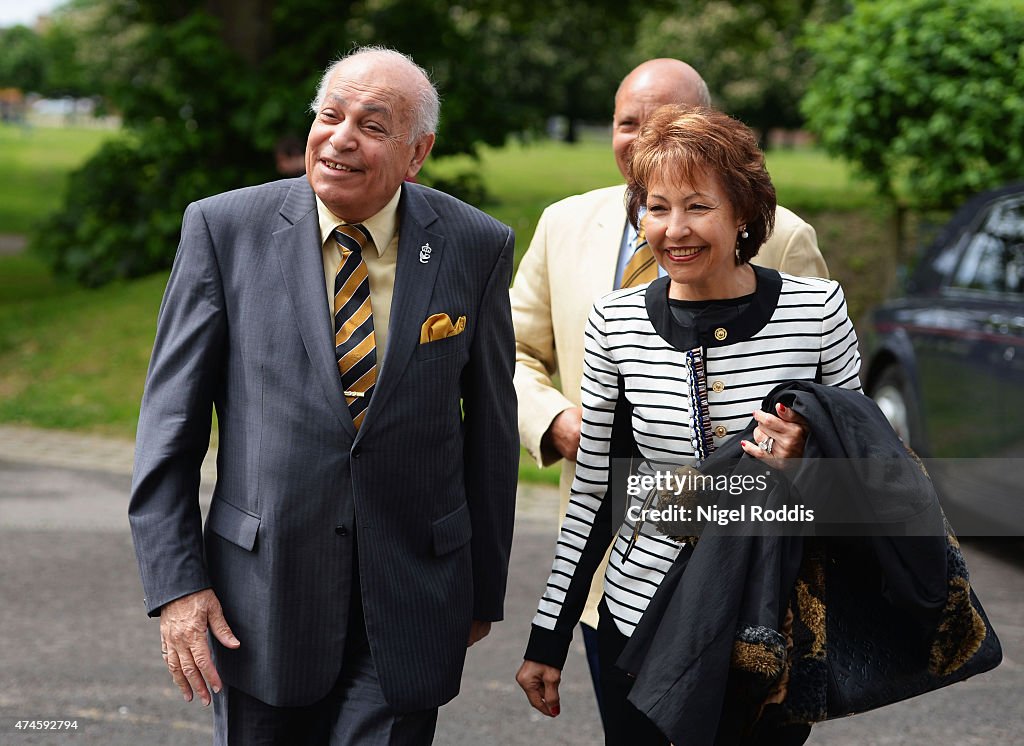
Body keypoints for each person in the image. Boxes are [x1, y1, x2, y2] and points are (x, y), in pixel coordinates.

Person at [128, 46, 518, 745]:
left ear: (417, 152)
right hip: (261, 599)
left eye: (372, 125)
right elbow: (169, 429)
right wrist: (177, 587)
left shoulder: (473, 244)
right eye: (329, 116)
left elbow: (491, 431)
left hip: (410, 596)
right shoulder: (224, 230)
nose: (340, 138)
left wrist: (480, 587)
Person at [515, 104, 861, 744]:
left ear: (743, 214)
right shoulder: (614, 323)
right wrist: (548, 637)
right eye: (657, 206)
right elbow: (596, 493)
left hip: (770, 615)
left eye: (698, 206)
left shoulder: (816, 310)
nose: (676, 229)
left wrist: (809, 460)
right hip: (639, 612)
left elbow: (870, 471)